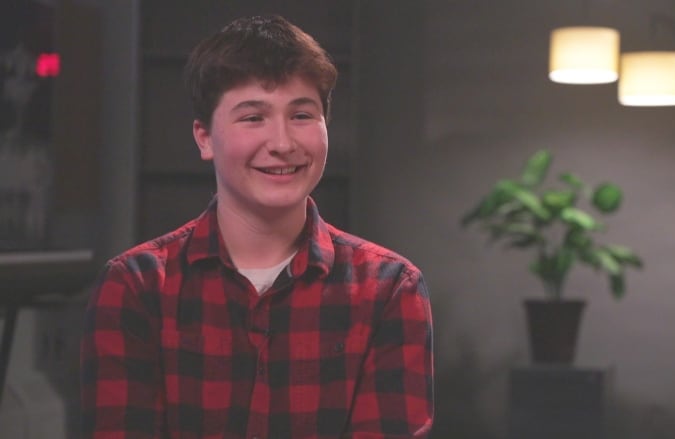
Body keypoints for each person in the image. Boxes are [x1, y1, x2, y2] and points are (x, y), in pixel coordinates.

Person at [80, 15, 433, 439]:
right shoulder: (136, 287)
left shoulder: (389, 289)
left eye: (302, 115)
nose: (283, 143)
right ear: (204, 138)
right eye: (253, 118)